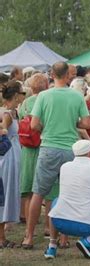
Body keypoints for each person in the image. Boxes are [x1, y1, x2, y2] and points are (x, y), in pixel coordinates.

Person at [22, 61, 90, 253]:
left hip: (48, 148)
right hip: (70, 150)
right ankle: (63, 236)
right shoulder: (76, 96)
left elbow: (34, 125)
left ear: (52, 74)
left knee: (38, 193)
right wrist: (71, 122)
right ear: (68, 75)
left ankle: (29, 236)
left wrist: (48, 127)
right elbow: (86, 123)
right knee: (65, 194)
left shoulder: (44, 96)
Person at [0, 81, 22, 248]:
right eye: (21, 94)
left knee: (7, 191)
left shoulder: (13, 112)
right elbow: (3, 130)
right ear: (15, 96)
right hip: (7, 156)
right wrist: (5, 132)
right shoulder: (7, 114)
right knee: (4, 193)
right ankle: (1, 237)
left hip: (13, 154)